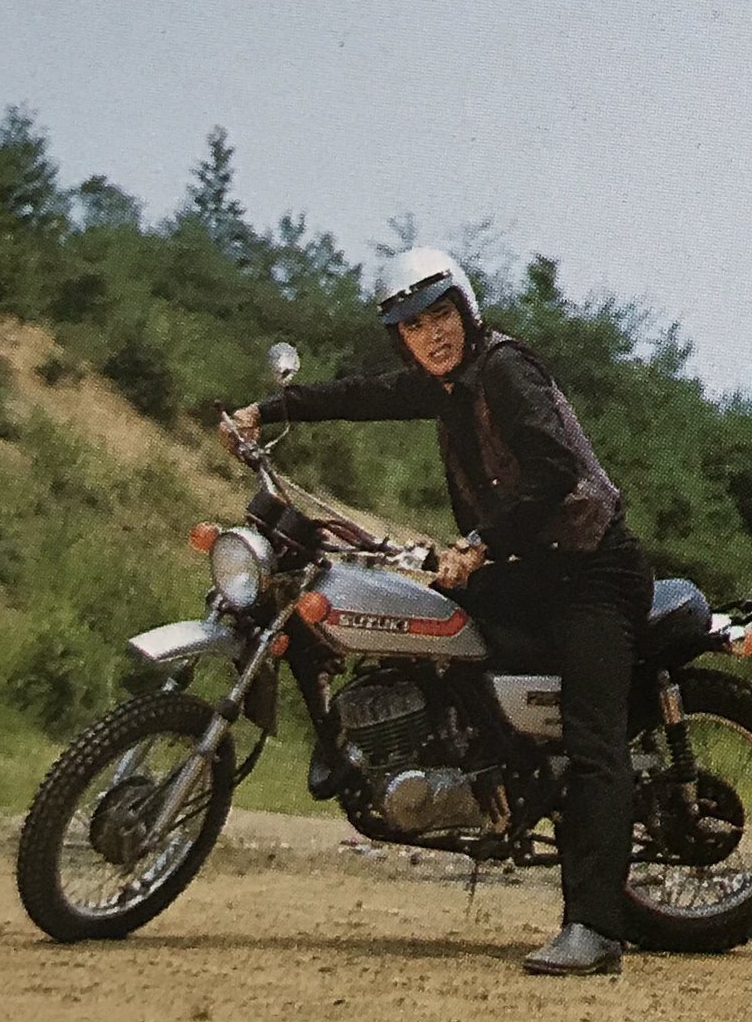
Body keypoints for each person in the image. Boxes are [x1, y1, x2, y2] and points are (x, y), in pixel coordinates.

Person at [223, 248, 654, 976]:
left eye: (441, 316)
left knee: (594, 742)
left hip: (593, 573)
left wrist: (480, 544)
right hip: (529, 570)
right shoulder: (447, 384)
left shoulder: (505, 371)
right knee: (411, 617)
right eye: (414, 326)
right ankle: (406, 755)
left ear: (466, 310)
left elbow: (555, 468)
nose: (432, 335)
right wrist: (268, 411)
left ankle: (595, 929)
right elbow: (364, 396)